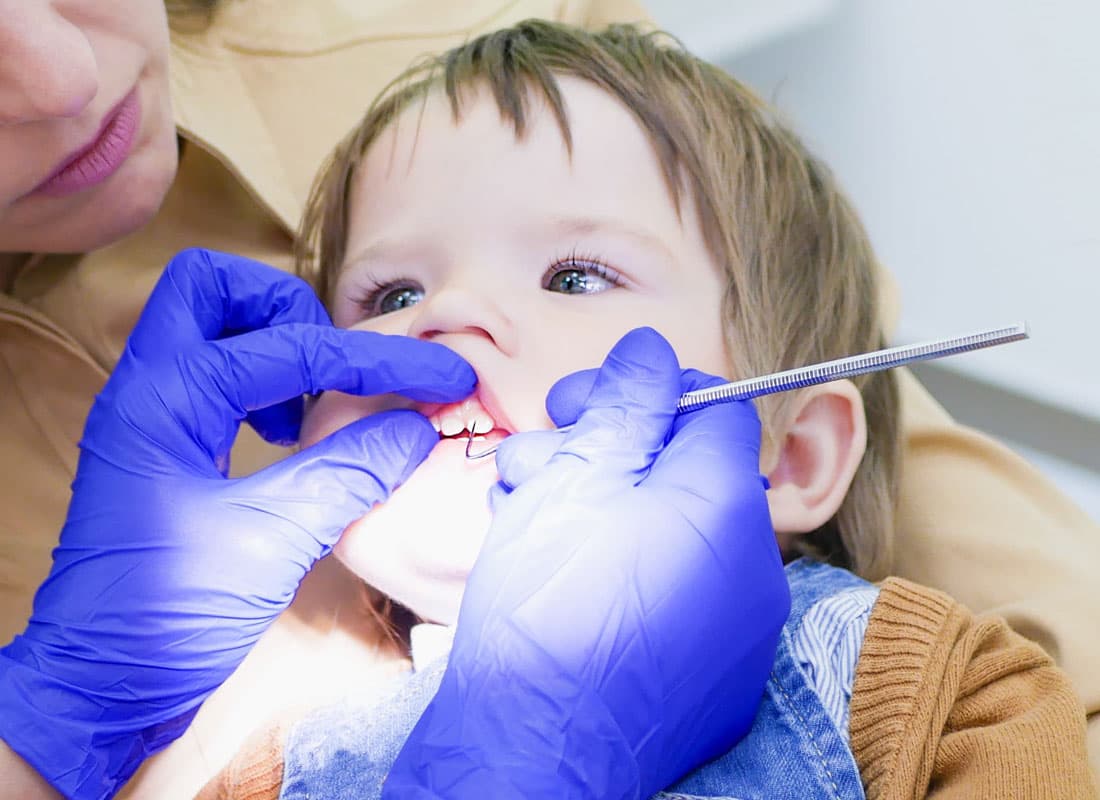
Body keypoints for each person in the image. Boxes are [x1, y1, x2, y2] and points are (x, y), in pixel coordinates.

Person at [0, 0, 1097, 787]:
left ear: (794, 451)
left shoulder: (931, 692)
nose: (443, 318)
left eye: (575, 275)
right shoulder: (260, 756)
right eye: (390, 290)